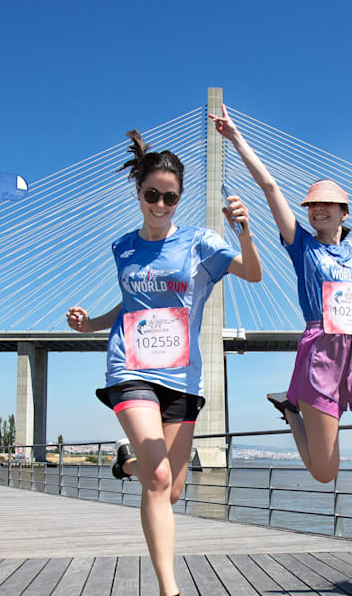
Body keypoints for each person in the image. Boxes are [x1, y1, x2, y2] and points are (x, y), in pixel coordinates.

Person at [209, 106, 352, 566]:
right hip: (321, 354)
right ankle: (292, 408)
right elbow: (270, 186)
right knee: (325, 473)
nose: (316, 208)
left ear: (340, 211)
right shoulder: (300, 244)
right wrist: (237, 136)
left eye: (327, 204)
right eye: (312, 205)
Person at [65, 129, 261, 596]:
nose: (160, 204)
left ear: (180, 198)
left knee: (169, 490)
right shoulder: (123, 247)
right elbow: (130, 306)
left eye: (169, 197)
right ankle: (169, 590)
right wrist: (91, 325)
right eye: (151, 194)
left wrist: (245, 232)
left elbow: (253, 274)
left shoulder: (201, 243)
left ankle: (124, 463)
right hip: (130, 369)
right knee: (158, 476)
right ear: (138, 192)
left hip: (182, 376)